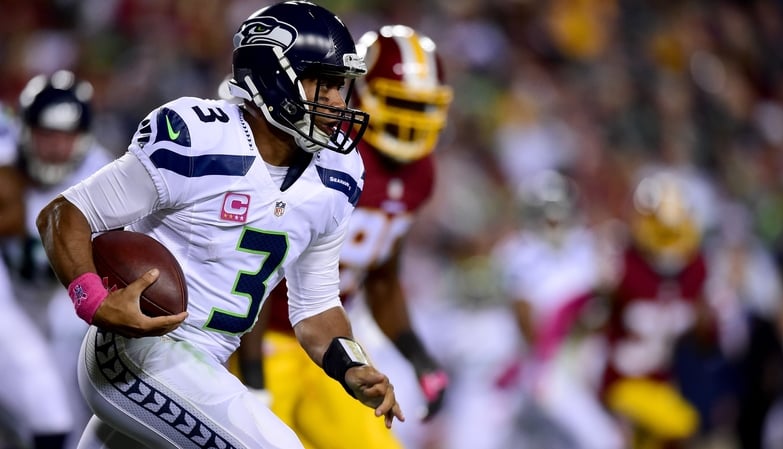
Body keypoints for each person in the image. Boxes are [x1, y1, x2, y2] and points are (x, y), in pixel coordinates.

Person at [35, 2, 403, 448]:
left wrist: (351, 365)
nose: (336, 102)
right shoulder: (198, 138)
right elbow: (64, 214)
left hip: (206, 365)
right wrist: (92, 300)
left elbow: (316, 307)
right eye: (319, 83)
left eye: (340, 86)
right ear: (271, 75)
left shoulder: (339, 172)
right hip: (139, 348)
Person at [234, 24, 452, 449]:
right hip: (262, 333)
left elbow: (383, 276)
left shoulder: (420, 175)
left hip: (331, 344)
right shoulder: (325, 150)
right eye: (400, 103)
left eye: (421, 107)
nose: (410, 121)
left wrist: (419, 358)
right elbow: (256, 263)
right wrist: (252, 372)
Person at [0, 71, 111, 449]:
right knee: (46, 411)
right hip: (9, 298)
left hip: (63, 308)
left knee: (70, 421)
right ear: (26, 131)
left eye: (66, 136)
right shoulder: (6, 161)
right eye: (47, 134)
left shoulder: (102, 175)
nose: (56, 147)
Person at [491, 170, 623, 449]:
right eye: (546, 214)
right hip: (543, 368)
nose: (554, 222)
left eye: (559, 213)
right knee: (604, 440)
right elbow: (530, 328)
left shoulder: (587, 248)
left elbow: (608, 309)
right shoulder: (517, 254)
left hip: (587, 361)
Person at [598, 171, 712, 449]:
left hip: (662, 381)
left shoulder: (695, 269)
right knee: (676, 426)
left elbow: (707, 338)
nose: (668, 239)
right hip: (621, 383)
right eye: (662, 229)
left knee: (678, 431)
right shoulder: (623, 266)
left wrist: (702, 319)